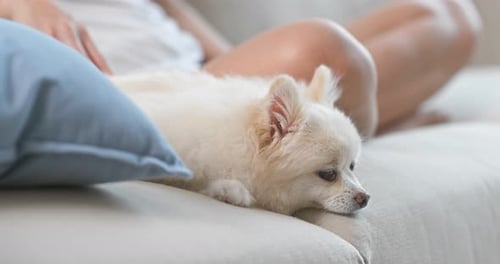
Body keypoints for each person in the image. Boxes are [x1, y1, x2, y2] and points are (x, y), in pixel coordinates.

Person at [0, 0, 482, 137]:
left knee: (450, 15)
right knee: (327, 53)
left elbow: (168, 13)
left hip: (203, 69)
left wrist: (242, 57)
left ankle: (351, 116)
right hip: (149, 91)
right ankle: (355, 120)